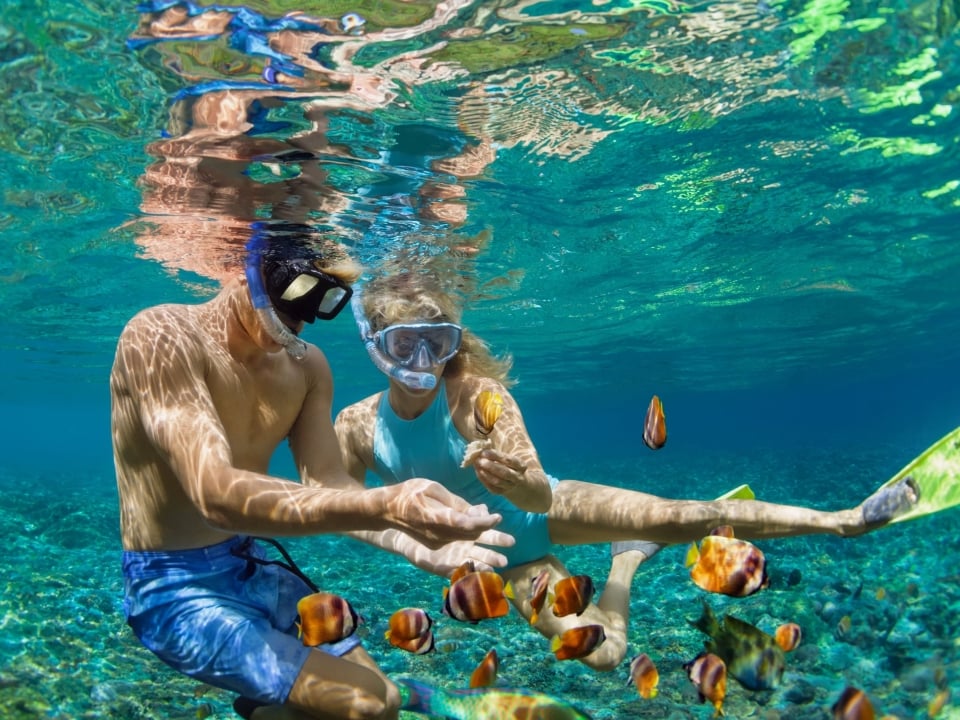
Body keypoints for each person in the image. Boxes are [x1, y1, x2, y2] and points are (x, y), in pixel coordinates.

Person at [333, 269, 919, 672]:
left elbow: (537, 490)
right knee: (605, 656)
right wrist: (406, 537)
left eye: (438, 343)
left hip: (548, 509)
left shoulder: (476, 396)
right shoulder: (356, 426)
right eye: (406, 343)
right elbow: (336, 507)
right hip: (504, 564)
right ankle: (627, 558)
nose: (424, 362)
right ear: (375, 346)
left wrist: (514, 478)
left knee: (687, 516)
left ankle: (844, 520)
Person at [111, 232, 514, 720]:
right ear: (250, 269)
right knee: (370, 704)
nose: (299, 320)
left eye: (320, 303)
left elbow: (327, 483)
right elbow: (212, 491)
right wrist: (388, 506)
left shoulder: (308, 367)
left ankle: (263, 707)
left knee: (373, 701)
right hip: (174, 586)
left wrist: (412, 541)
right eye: (294, 294)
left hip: (251, 564)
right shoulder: (161, 334)